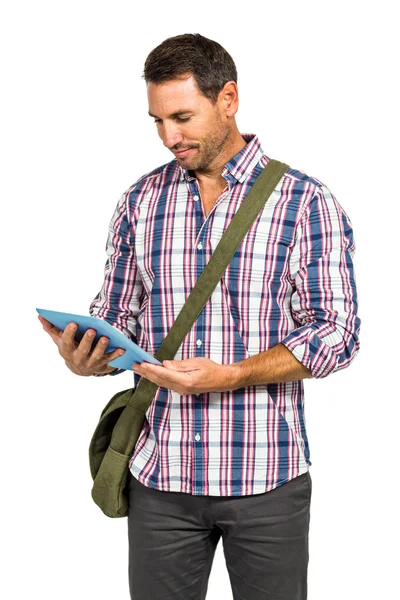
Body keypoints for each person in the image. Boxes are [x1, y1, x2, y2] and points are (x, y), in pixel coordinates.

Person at [38, 33, 361, 600]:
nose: (169, 137)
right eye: (157, 120)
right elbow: (117, 314)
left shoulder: (305, 202)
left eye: (182, 117)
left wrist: (233, 375)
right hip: (159, 478)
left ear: (228, 99)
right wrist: (88, 353)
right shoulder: (140, 201)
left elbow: (337, 333)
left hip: (266, 479)